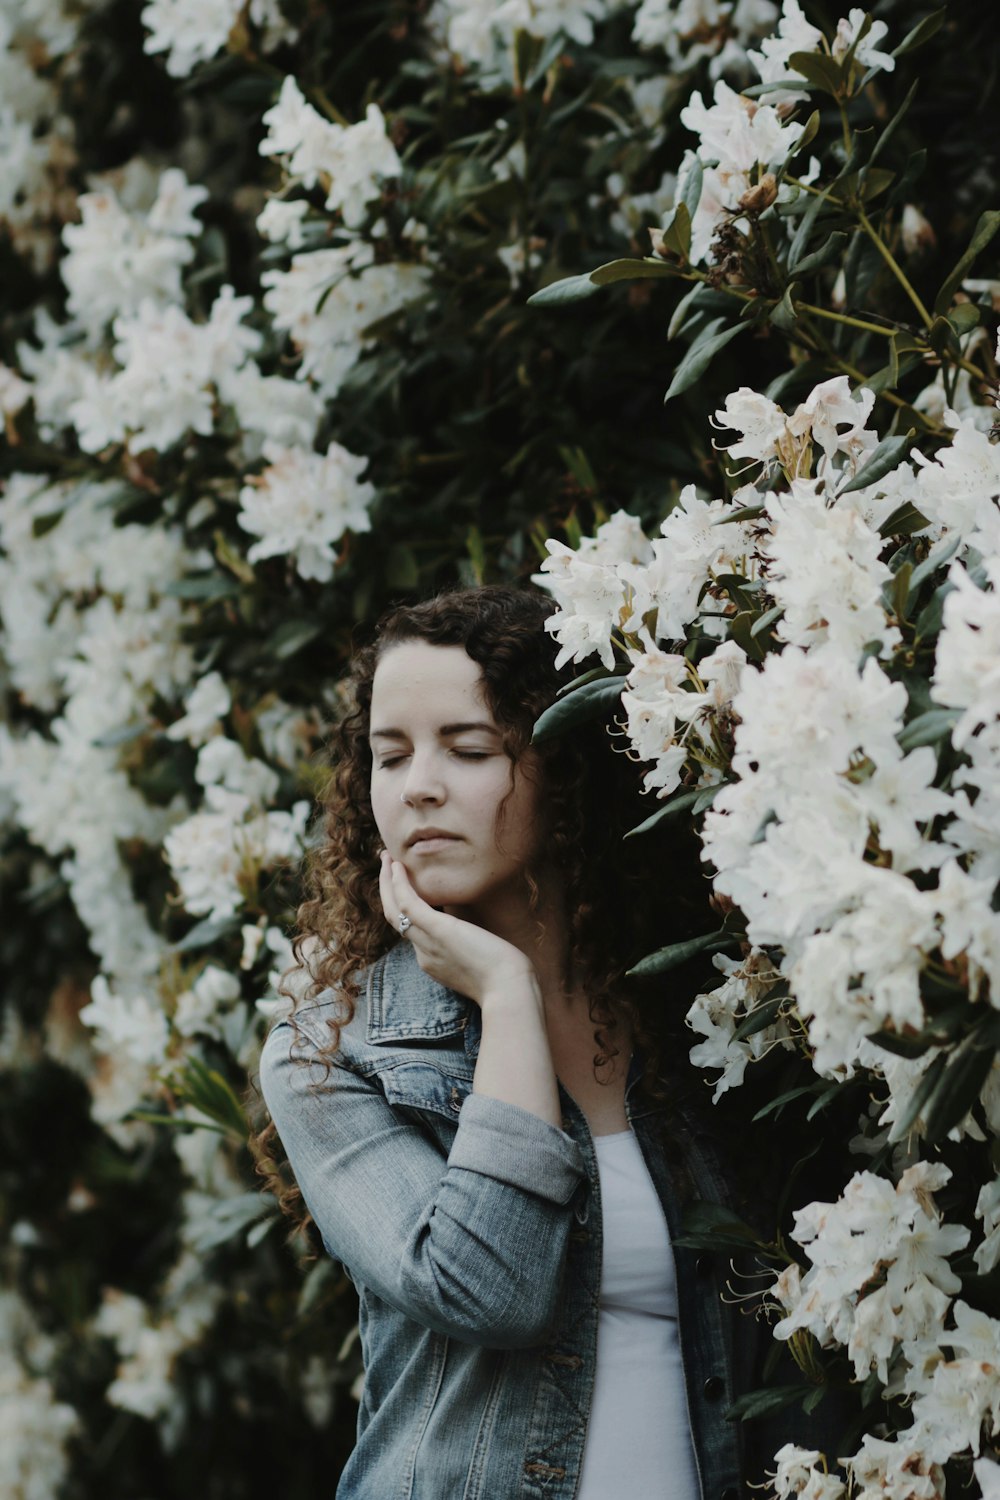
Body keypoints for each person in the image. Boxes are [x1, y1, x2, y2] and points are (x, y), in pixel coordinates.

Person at [255, 584, 844, 1500]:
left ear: (559, 768)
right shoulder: (330, 1056)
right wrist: (507, 996)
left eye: (470, 748)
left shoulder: (704, 1019)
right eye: (390, 755)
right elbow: (490, 1288)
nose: (419, 786)